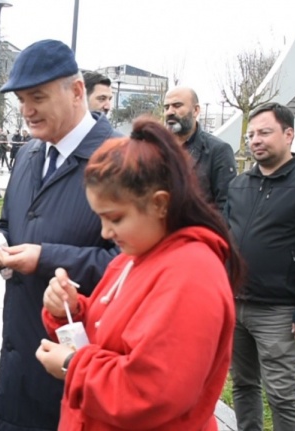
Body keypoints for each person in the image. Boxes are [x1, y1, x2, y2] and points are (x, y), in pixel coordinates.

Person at [36, 116, 243, 430]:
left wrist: (71, 364)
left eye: (115, 218)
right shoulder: (136, 254)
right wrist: (70, 310)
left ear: (160, 204)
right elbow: (110, 331)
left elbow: (151, 391)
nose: (106, 232)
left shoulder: (191, 274)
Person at [0, 39, 120, 431]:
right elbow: (15, 224)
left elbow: (131, 268)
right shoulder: (30, 153)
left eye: (37, 97)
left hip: (81, 367)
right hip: (20, 356)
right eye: (21, 99)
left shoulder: (122, 160)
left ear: (76, 92)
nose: (27, 111)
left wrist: (46, 257)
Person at [225, 102, 295, 431]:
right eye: (252, 134)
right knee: (243, 384)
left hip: (278, 311)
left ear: (288, 134)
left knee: (281, 394)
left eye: (265, 132)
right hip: (235, 303)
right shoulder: (238, 185)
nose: (256, 140)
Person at [163, 86, 236, 210]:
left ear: (196, 110)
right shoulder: (155, 148)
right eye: (166, 107)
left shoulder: (218, 151)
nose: (170, 112)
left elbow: (226, 207)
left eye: (177, 105)